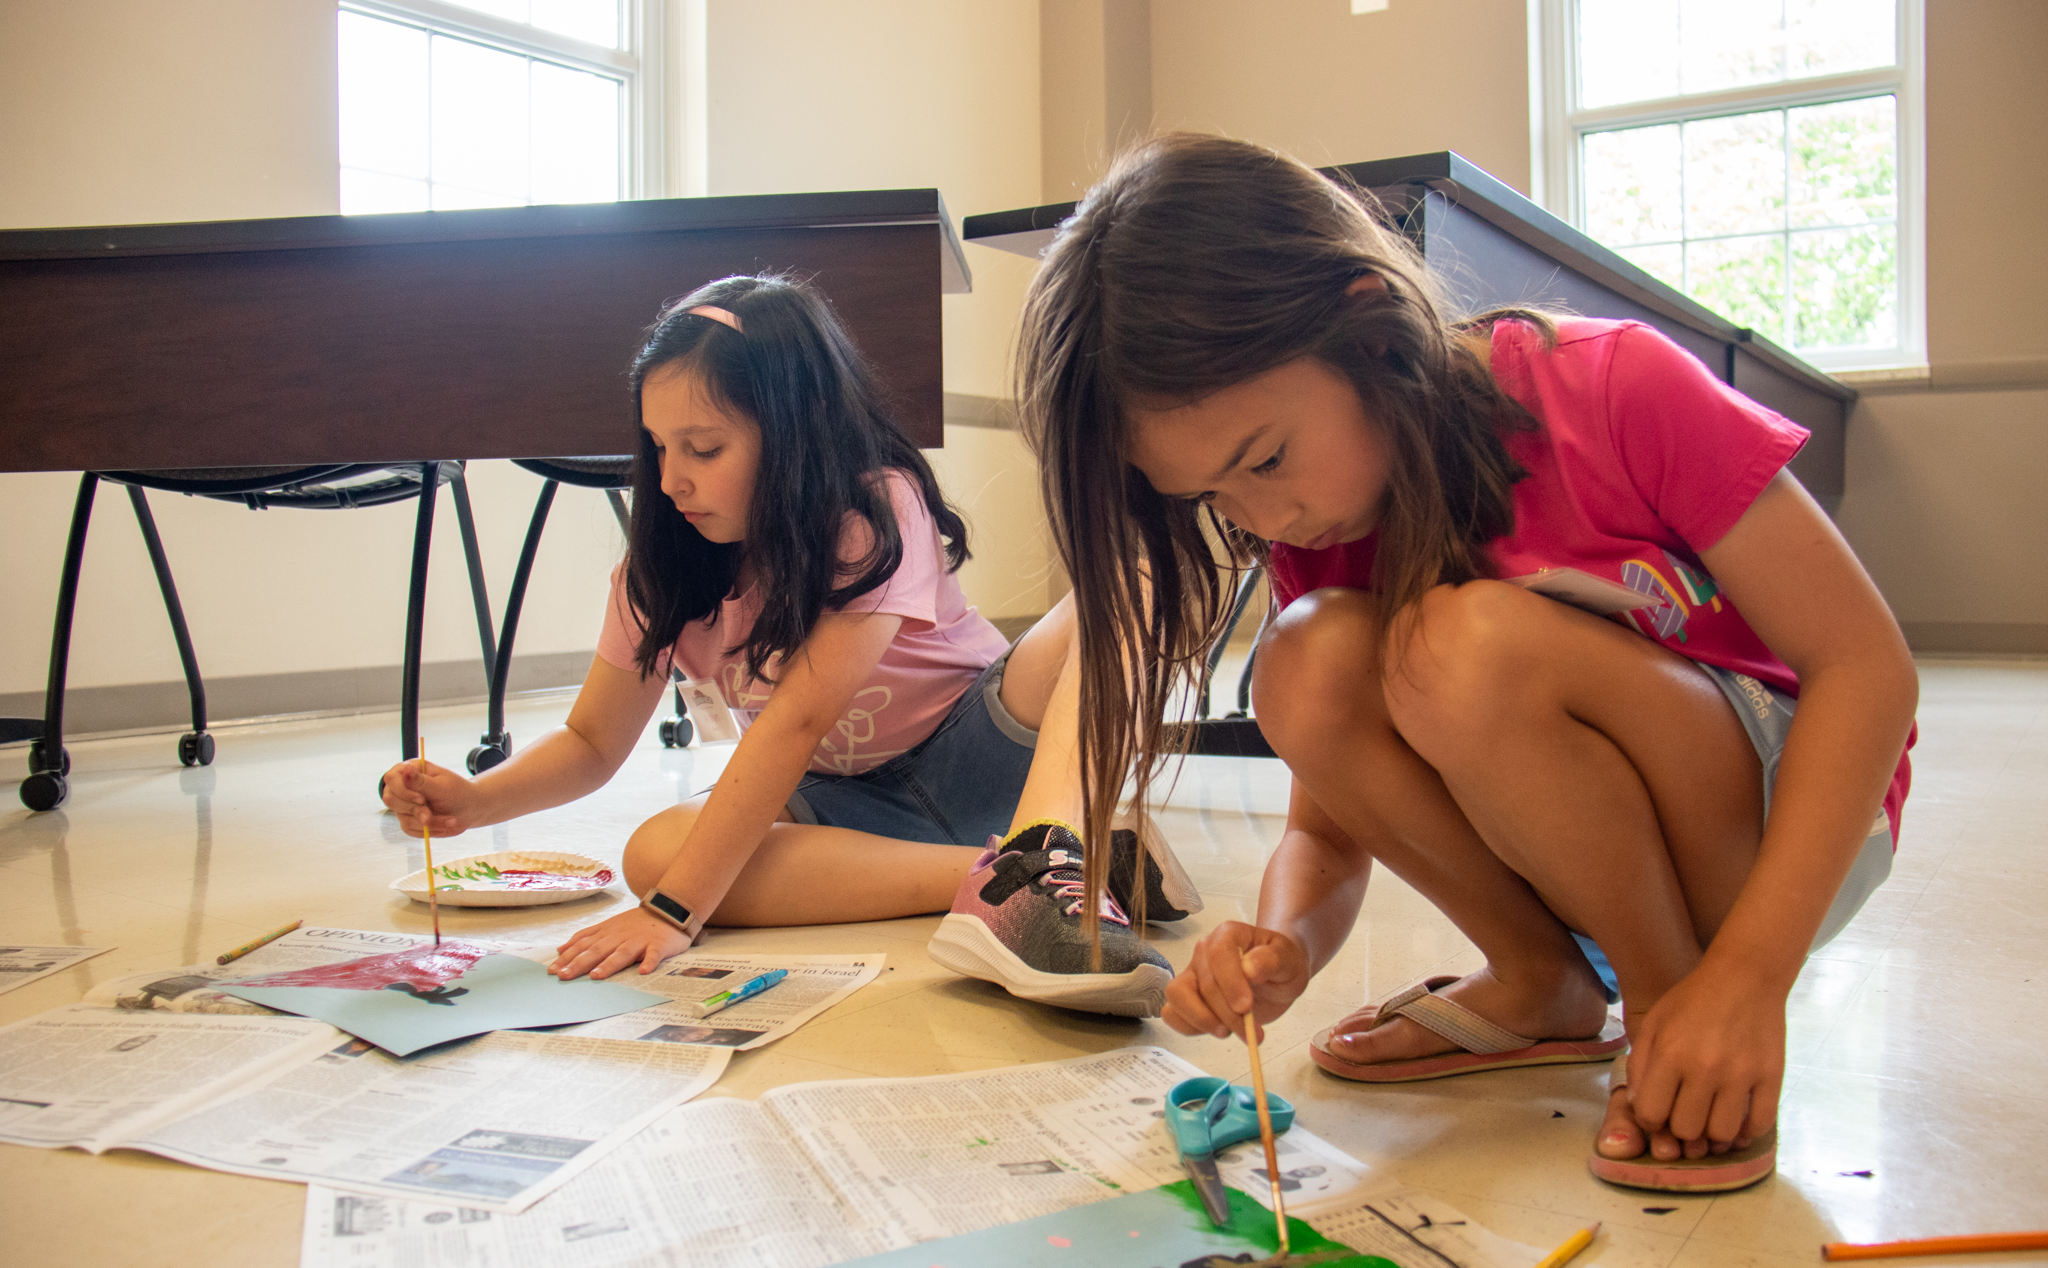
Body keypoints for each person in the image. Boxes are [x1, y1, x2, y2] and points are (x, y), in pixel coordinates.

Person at [1012, 135, 1916, 1190]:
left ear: (1365, 324)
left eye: (1266, 458)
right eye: (1214, 496)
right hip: (1587, 867)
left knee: (1458, 645)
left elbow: (1866, 668)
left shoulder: (1611, 384)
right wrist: (1280, 941)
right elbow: (1324, 834)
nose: (1264, 517)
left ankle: (1671, 1006)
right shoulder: (1319, 521)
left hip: (1782, 832)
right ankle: (1541, 981)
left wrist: (1748, 980)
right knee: (1303, 659)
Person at [380, 274, 1194, 1015]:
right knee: (654, 853)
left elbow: (796, 721)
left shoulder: (875, 510)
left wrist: (675, 914)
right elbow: (593, 740)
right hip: (843, 807)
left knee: (1131, 582)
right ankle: (1025, 874)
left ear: (796, 434)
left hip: (982, 747)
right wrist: (478, 800)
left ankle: (1044, 842)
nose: (671, 479)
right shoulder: (659, 574)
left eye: (704, 448)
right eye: (658, 447)